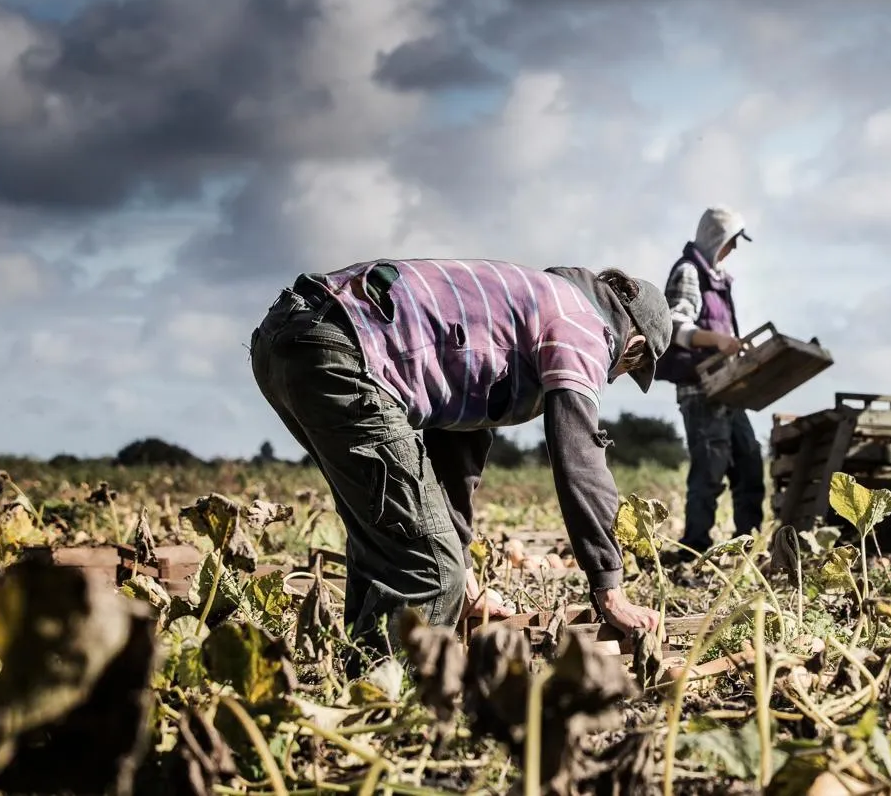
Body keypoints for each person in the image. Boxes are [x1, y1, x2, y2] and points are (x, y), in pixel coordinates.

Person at [248, 258, 672, 663]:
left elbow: (457, 450)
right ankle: (394, 705)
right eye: (628, 367)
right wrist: (609, 586)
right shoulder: (582, 324)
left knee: (392, 534)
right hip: (342, 346)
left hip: (291, 337)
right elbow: (579, 454)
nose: (613, 377)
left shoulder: (531, 305)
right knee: (431, 568)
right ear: (633, 345)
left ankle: (363, 677)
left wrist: (466, 573)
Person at [656, 206, 766, 563]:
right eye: (730, 242)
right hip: (701, 390)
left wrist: (732, 344)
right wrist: (718, 342)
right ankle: (695, 547)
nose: (732, 250)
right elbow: (674, 325)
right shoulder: (688, 272)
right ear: (715, 239)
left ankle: (748, 545)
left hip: (727, 387)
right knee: (709, 468)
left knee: (749, 462)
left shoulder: (719, 277)